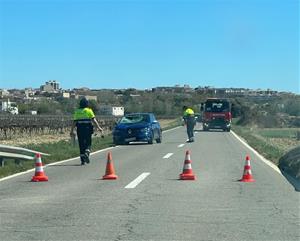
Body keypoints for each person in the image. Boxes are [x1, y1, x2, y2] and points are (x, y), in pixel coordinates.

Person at [70, 97, 104, 165]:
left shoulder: (77, 111)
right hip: (88, 128)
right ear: (86, 104)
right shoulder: (89, 110)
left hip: (80, 129)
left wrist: (71, 130)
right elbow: (94, 120)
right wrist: (99, 128)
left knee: (81, 143)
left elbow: (74, 122)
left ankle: (82, 160)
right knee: (88, 142)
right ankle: (87, 151)